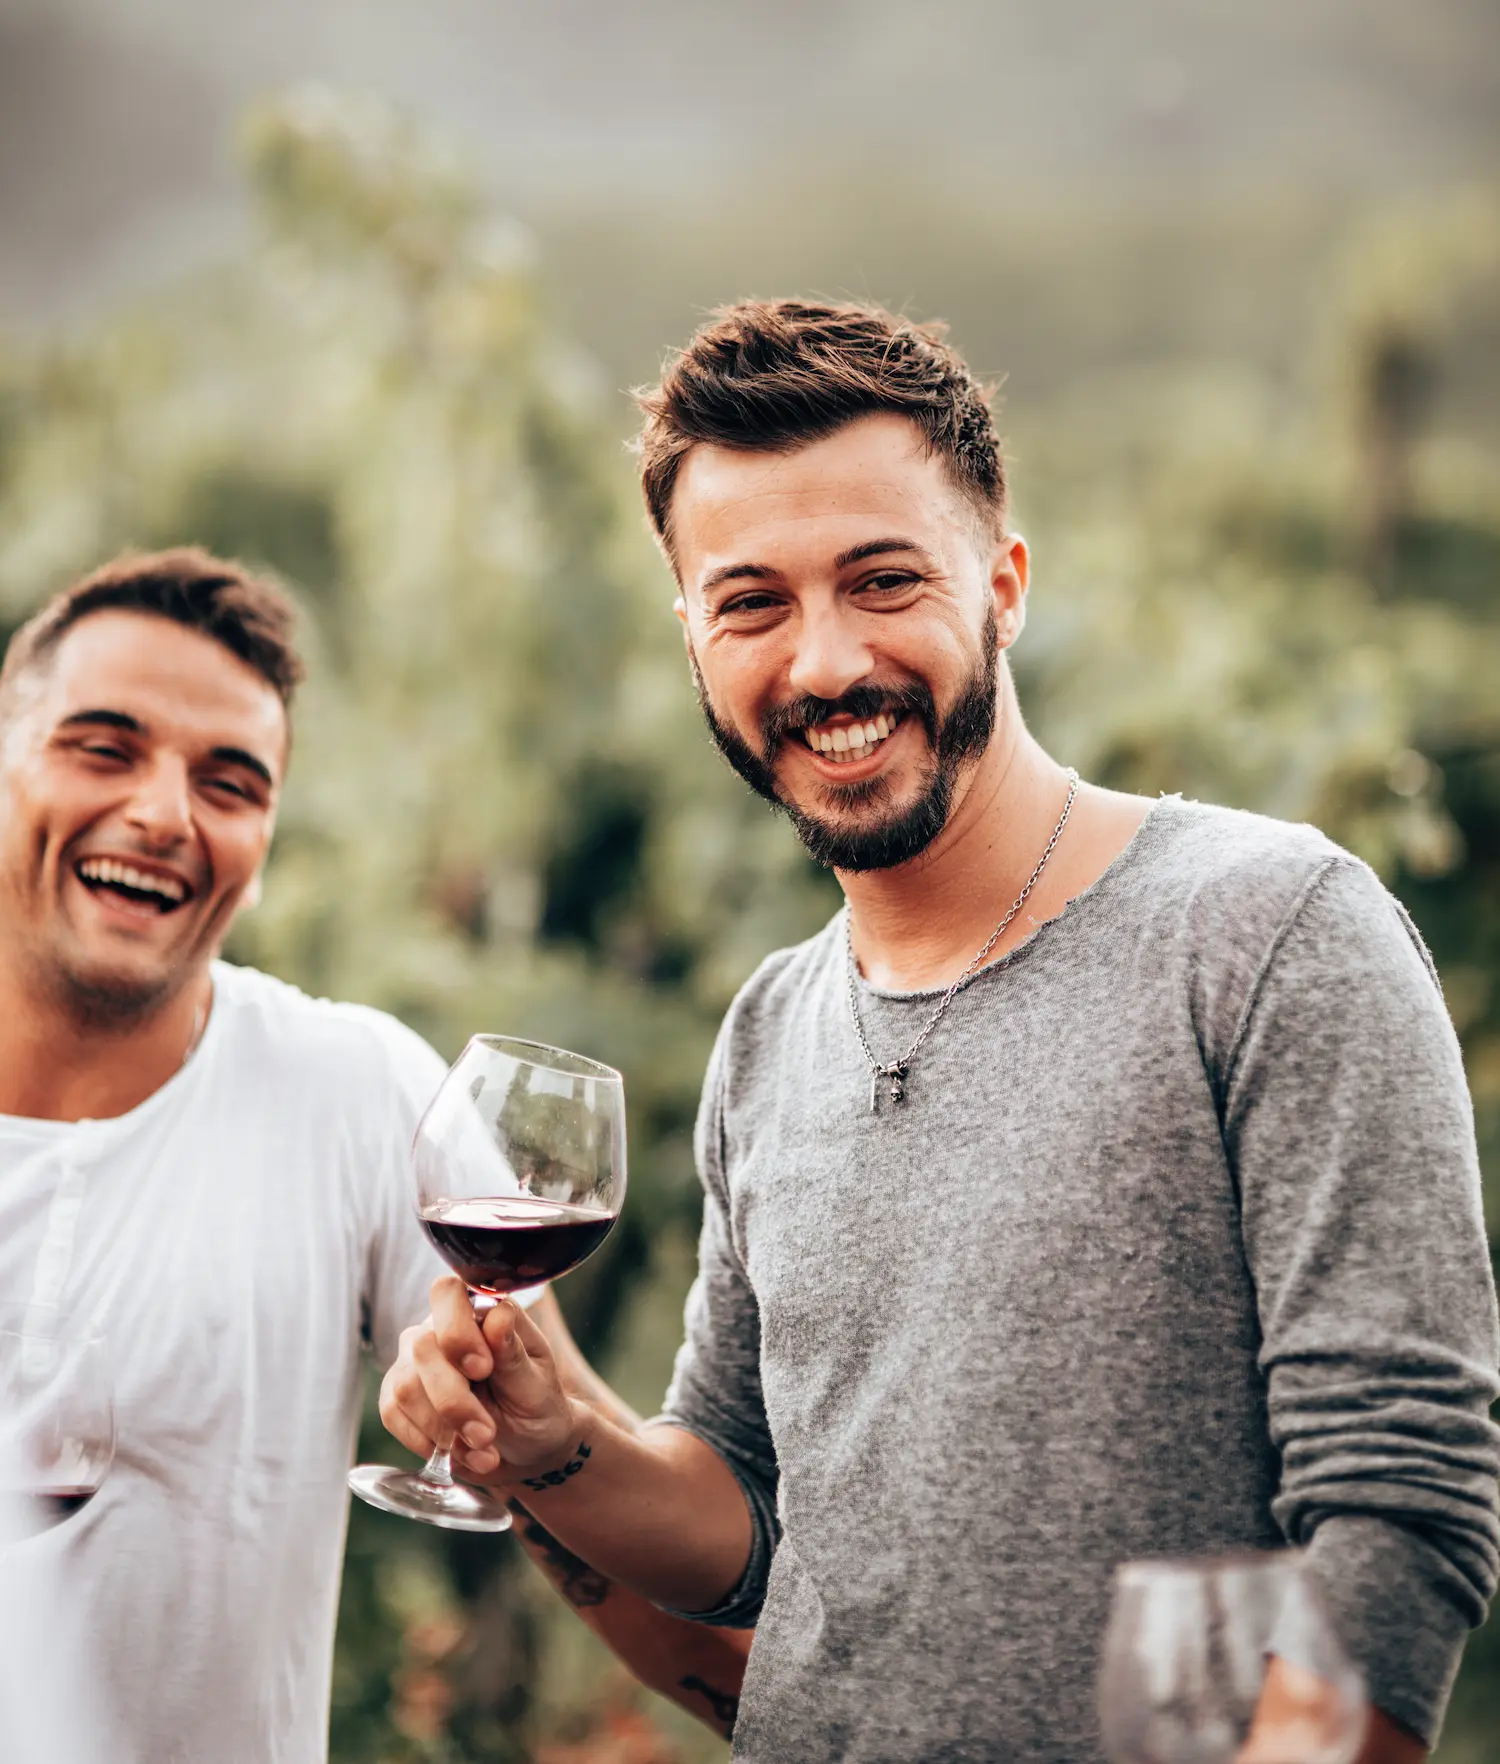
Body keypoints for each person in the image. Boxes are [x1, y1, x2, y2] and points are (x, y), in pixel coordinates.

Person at [383, 301, 1500, 1763]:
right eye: (752, 603)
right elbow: (747, 1523)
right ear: (692, 638)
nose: (826, 662)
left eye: (882, 579)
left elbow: (1400, 1514)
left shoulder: (1271, 929)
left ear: (1006, 584)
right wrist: (553, 1445)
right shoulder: (773, 1028)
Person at [0, 547, 747, 1762]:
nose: (163, 812)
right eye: (103, 747)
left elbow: (571, 1481)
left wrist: (825, 1722)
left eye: (230, 781)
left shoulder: (355, 1095)